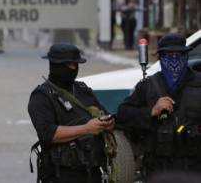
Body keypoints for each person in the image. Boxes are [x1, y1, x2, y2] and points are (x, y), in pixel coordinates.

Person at [117, 33, 201, 178]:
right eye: (169, 55)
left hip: (194, 169)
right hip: (157, 169)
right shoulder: (148, 86)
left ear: (186, 56)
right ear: (160, 58)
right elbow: (123, 115)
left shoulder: (199, 83)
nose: (174, 60)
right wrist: (151, 112)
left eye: (179, 54)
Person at [28, 43, 115, 183]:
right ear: (55, 65)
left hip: (92, 172)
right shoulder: (42, 96)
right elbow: (47, 133)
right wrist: (86, 129)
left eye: (76, 64)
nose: (74, 69)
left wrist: (108, 123)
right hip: (61, 174)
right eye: (70, 65)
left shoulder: (82, 90)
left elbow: (102, 113)